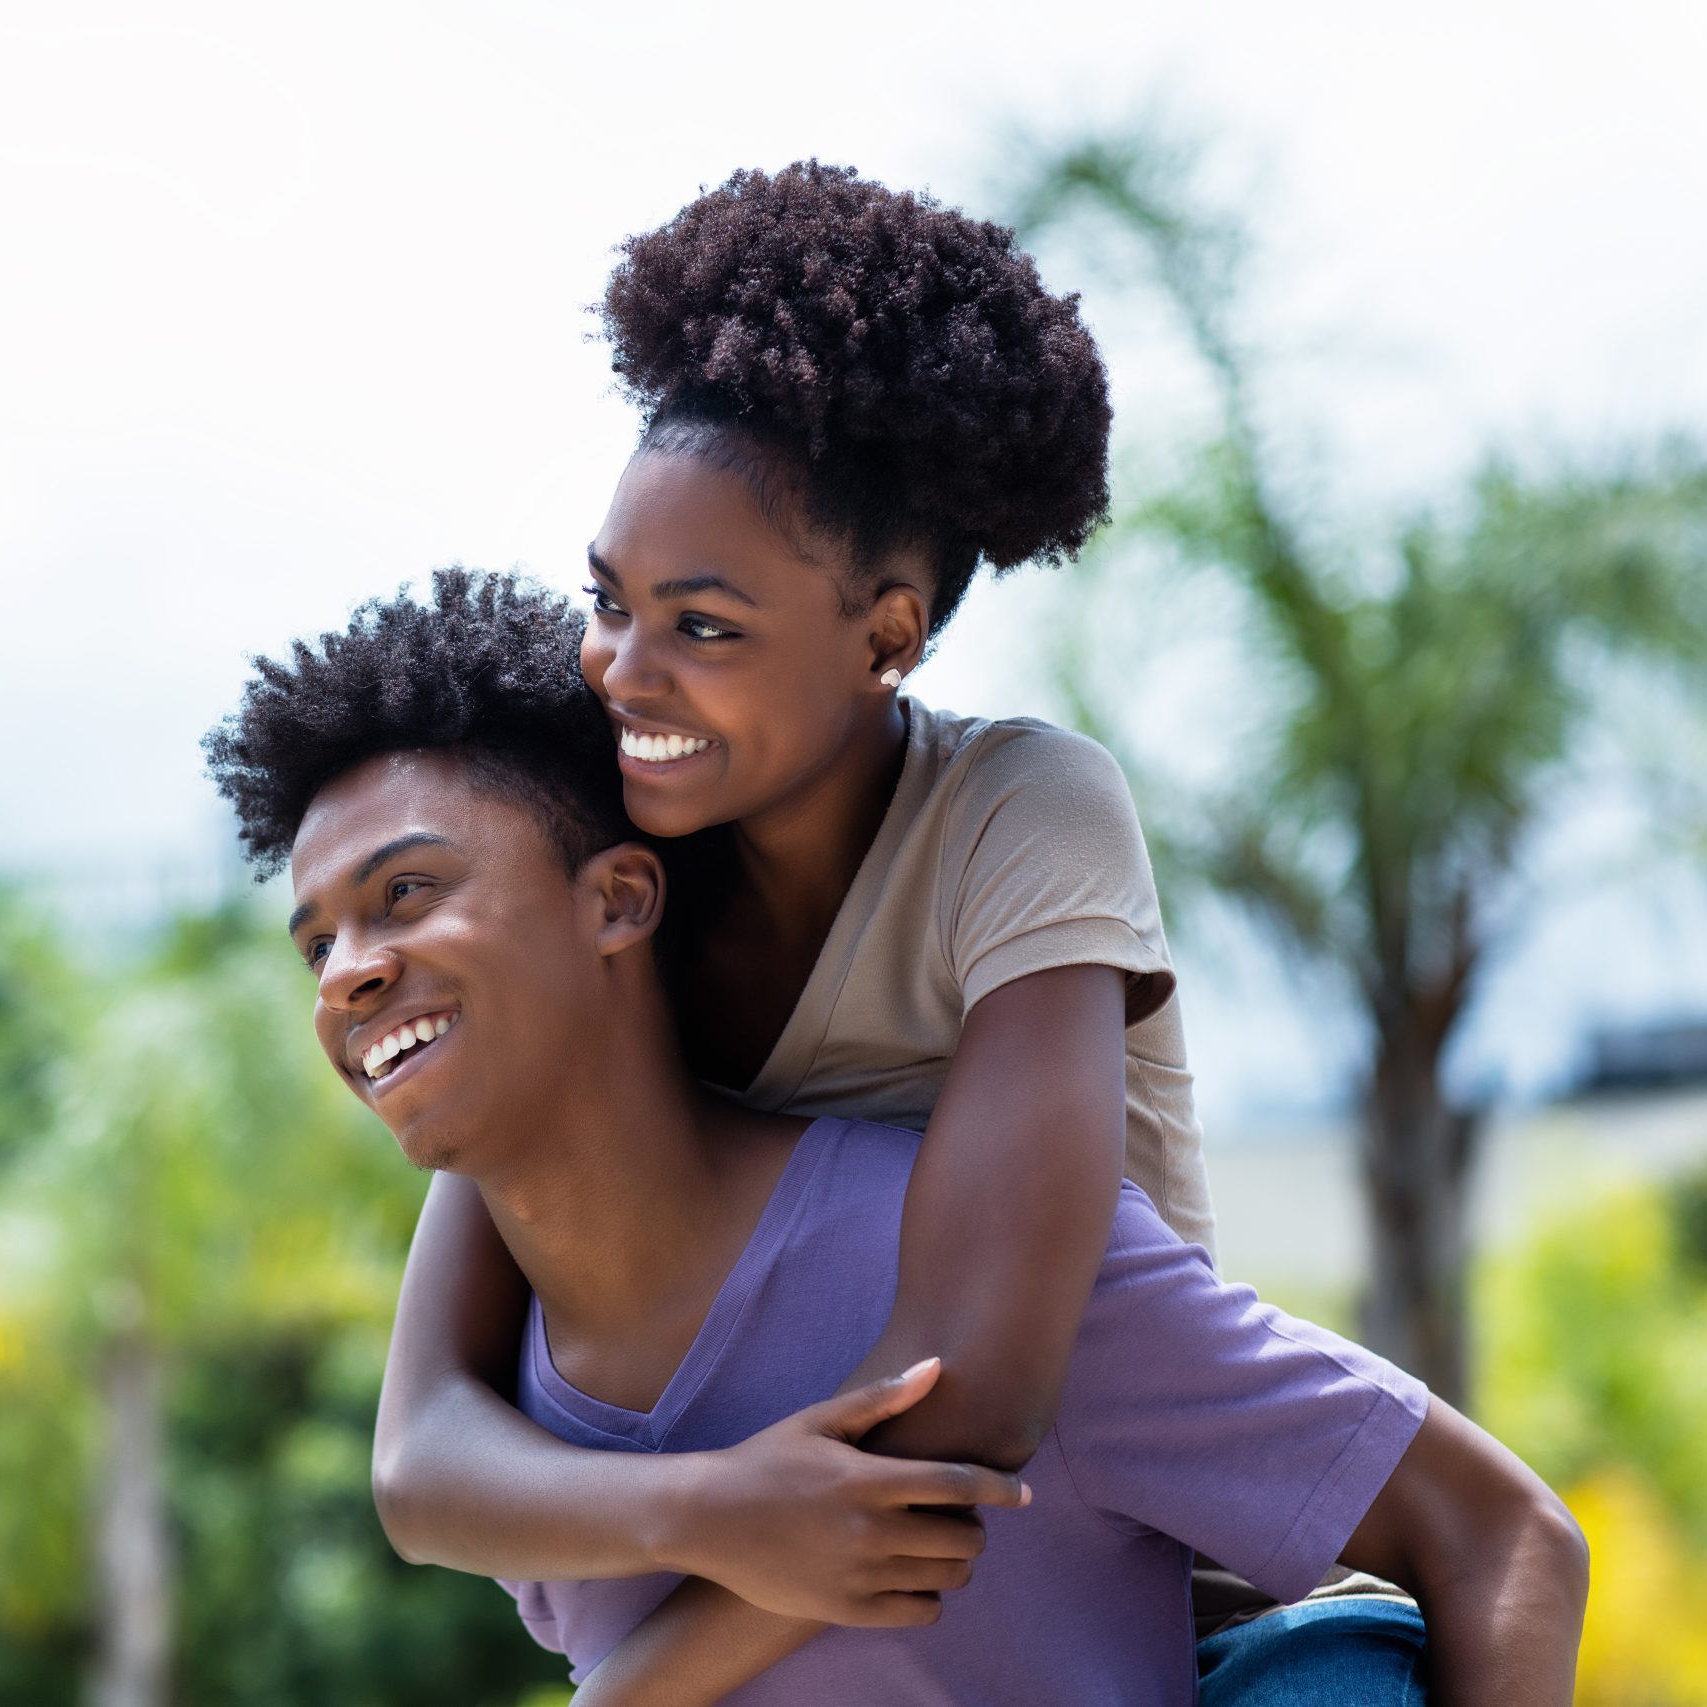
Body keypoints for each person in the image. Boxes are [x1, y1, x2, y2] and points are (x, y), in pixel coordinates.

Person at [362, 162, 1391, 1699]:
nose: (623, 672)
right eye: (609, 601)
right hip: (832, 1621)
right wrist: (705, 1506)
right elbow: (425, 1454)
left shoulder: (1018, 816)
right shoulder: (631, 870)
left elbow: (965, 1397)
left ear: (888, 635)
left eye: (702, 626)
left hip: (1133, 1610)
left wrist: (629, 1692)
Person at [201, 571, 1588, 1705]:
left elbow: (1508, 1540)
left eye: (409, 892)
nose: (345, 973)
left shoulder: (991, 1264)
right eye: (318, 941)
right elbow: (416, 1475)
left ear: (621, 901)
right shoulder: (506, 1397)